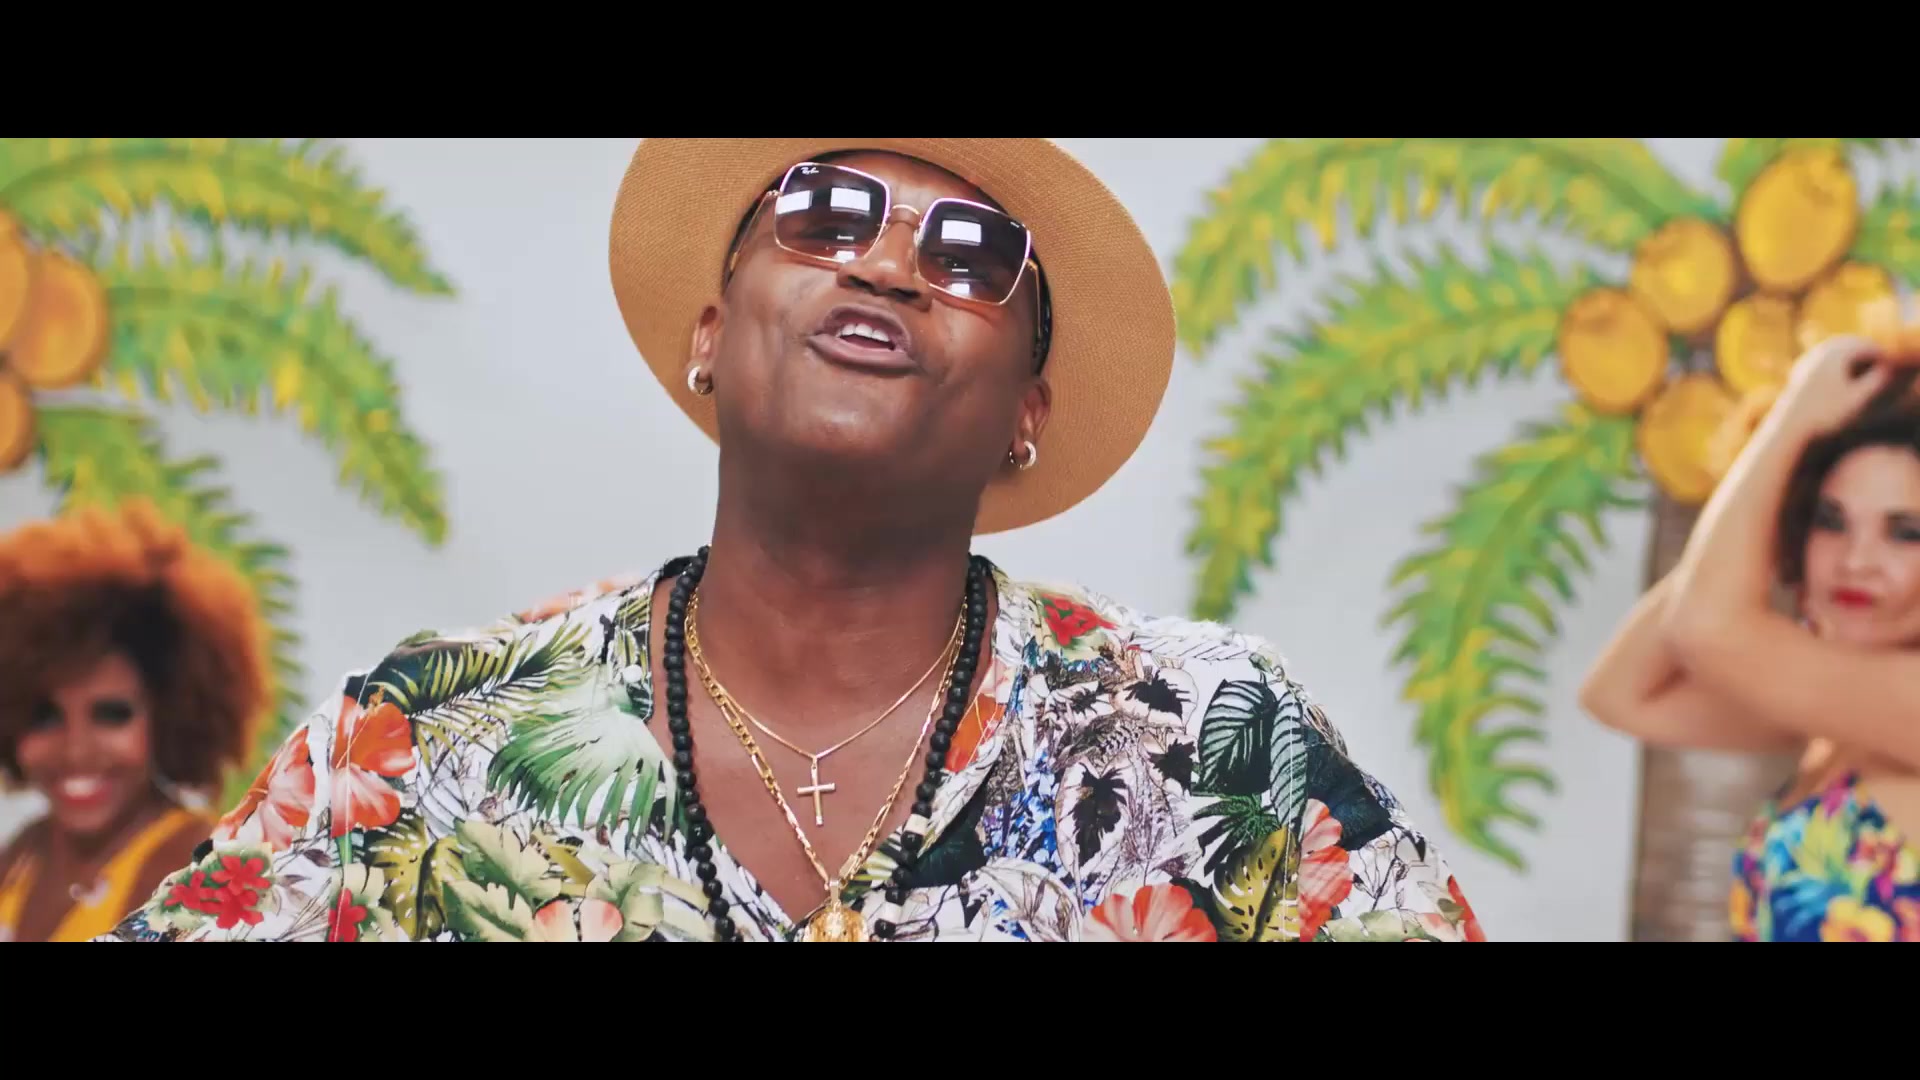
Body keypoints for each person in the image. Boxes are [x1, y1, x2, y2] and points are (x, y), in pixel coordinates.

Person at [98, 138, 1483, 942]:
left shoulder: (1215, 737)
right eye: (821, 215)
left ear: (1028, 415)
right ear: (711, 334)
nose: (885, 266)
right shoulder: (426, 740)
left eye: (968, 256)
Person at [1583, 331, 1920, 941]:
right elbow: (1621, 693)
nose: (1856, 561)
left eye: (1905, 533)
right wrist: (1780, 473)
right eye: (1829, 521)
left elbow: (1705, 626)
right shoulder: (1828, 722)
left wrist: (1793, 417)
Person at [0, 500, 268, 941]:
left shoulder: (198, 872)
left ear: (168, 714)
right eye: (44, 717)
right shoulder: (27, 854)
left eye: (111, 715)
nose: (76, 749)